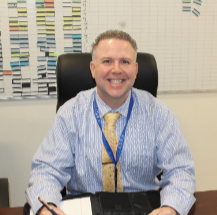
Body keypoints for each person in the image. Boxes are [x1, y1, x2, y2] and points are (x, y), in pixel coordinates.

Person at [25, 30, 196, 215]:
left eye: (125, 61)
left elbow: (181, 171)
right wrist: (46, 208)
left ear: (136, 69)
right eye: (107, 61)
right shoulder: (71, 113)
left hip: (144, 207)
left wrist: (170, 208)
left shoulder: (159, 113)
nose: (116, 69)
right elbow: (46, 171)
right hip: (86, 207)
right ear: (93, 69)